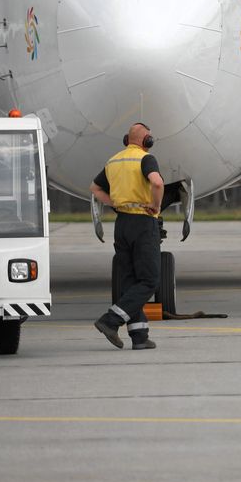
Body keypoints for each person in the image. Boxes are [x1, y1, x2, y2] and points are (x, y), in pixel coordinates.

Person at [91, 123, 164, 351]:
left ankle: (139, 336)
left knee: (131, 281)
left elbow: (95, 188)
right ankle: (110, 321)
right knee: (150, 280)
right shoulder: (145, 159)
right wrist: (155, 205)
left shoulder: (113, 161)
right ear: (147, 141)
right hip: (143, 222)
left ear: (126, 140)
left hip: (122, 224)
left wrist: (114, 203)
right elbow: (157, 182)